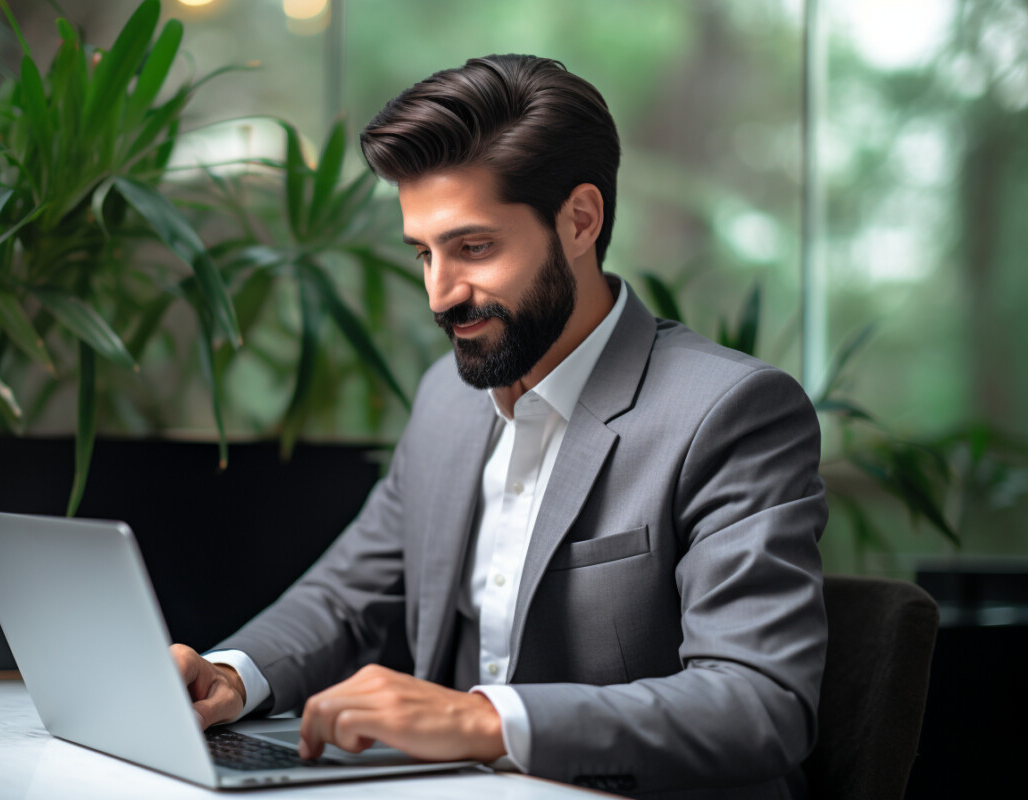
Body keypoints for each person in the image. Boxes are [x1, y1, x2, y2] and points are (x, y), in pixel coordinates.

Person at [170, 54, 828, 798]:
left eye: (473, 247)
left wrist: (483, 722)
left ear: (580, 220)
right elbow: (349, 596)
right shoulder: (447, 402)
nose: (439, 294)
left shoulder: (730, 411)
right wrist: (227, 677)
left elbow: (759, 704)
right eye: (423, 253)